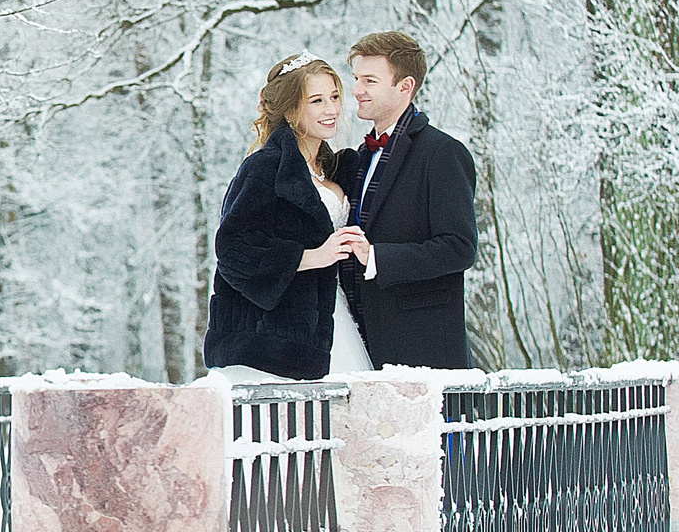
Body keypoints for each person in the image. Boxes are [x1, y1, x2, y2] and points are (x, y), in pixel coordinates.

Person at [203, 52, 372, 384]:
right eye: (317, 101)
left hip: (334, 322)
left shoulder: (336, 169)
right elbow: (232, 251)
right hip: (273, 341)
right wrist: (313, 257)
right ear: (293, 111)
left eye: (335, 97)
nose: (332, 109)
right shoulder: (265, 167)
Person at [333, 29, 477, 370]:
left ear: (405, 86)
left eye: (369, 80)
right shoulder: (358, 158)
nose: (356, 90)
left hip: (424, 355)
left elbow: (459, 248)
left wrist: (377, 257)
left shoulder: (444, 154)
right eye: (356, 79)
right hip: (362, 347)